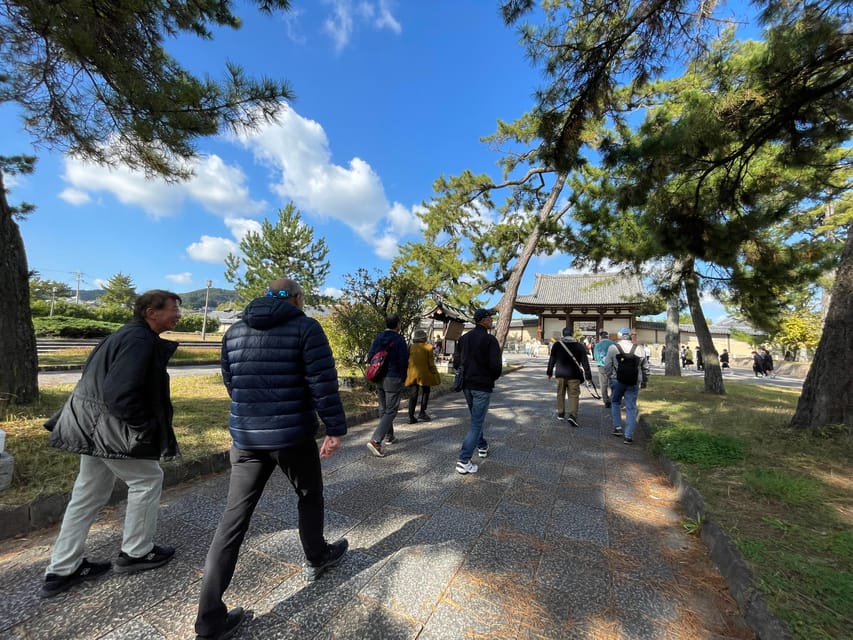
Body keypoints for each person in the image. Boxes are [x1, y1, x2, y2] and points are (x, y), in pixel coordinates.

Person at [194, 278, 348, 640]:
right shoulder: (306, 327)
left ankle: (209, 619)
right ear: (298, 298)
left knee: (233, 520)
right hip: (292, 435)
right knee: (309, 496)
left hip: (246, 438)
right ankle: (316, 556)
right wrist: (335, 428)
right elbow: (322, 382)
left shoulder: (234, 331)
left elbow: (231, 382)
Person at [40, 290, 183, 598]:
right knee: (148, 479)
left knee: (87, 493)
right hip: (108, 428)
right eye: (173, 309)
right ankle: (137, 551)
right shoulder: (140, 340)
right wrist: (143, 426)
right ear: (151, 312)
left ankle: (62, 568)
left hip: (89, 425)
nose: (178, 315)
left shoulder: (123, 335)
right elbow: (119, 392)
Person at [452, 308, 502, 474]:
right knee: (476, 423)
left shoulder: (463, 339)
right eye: (489, 317)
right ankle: (464, 460)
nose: (491, 320)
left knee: (475, 418)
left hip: (467, 385)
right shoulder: (490, 340)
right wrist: (490, 378)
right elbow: (496, 367)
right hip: (482, 386)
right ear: (483, 320)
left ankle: (482, 446)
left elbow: (456, 362)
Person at [365, 313, 409, 457]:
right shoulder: (399, 339)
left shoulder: (378, 337)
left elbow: (370, 357)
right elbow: (404, 361)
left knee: (384, 408)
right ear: (398, 324)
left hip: (379, 376)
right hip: (393, 376)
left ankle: (389, 436)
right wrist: (403, 378)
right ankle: (376, 440)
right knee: (391, 410)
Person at [605, 327, 650, 444]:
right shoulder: (639, 349)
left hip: (617, 380)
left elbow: (607, 365)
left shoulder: (613, 348)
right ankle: (629, 435)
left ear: (620, 336)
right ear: (630, 336)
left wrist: (610, 376)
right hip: (633, 381)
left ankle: (617, 427)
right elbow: (645, 367)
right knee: (631, 407)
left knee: (615, 402)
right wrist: (645, 381)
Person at [547, 327, 593, 427]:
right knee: (573, 395)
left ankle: (561, 413)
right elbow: (585, 362)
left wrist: (549, 372)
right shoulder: (579, 346)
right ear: (572, 334)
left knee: (560, 393)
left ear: (563, 335)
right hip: (574, 375)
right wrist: (588, 376)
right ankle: (572, 415)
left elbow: (552, 359)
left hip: (560, 374)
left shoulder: (557, 345)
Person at [405, 329, 442, 423]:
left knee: (413, 394)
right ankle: (422, 412)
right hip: (425, 374)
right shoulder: (428, 347)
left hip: (412, 374)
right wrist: (435, 373)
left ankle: (411, 416)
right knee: (426, 391)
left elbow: (407, 360)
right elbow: (430, 363)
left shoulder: (411, 347)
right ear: (424, 338)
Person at [592, 330, 615, 408]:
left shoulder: (597, 345)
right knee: (613, 382)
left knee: (603, 384)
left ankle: (606, 401)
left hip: (602, 366)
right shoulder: (613, 344)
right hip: (612, 366)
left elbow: (596, 357)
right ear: (607, 336)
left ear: (600, 337)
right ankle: (614, 399)